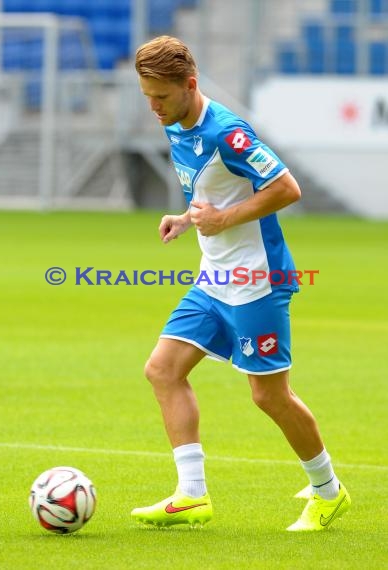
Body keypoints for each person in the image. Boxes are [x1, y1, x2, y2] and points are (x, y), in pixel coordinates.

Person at [131, 35, 350, 531]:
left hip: (257, 279)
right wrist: (188, 218)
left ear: (190, 85)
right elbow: (214, 189)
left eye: (161, 97)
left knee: (269, 396)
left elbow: (286, 189)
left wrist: (225, 220)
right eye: (147, 96)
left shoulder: (229, 133)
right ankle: (191, 495)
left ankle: (328, 491)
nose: (153, 107)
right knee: (163, 370)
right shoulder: (176, 121)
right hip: (214, 278)